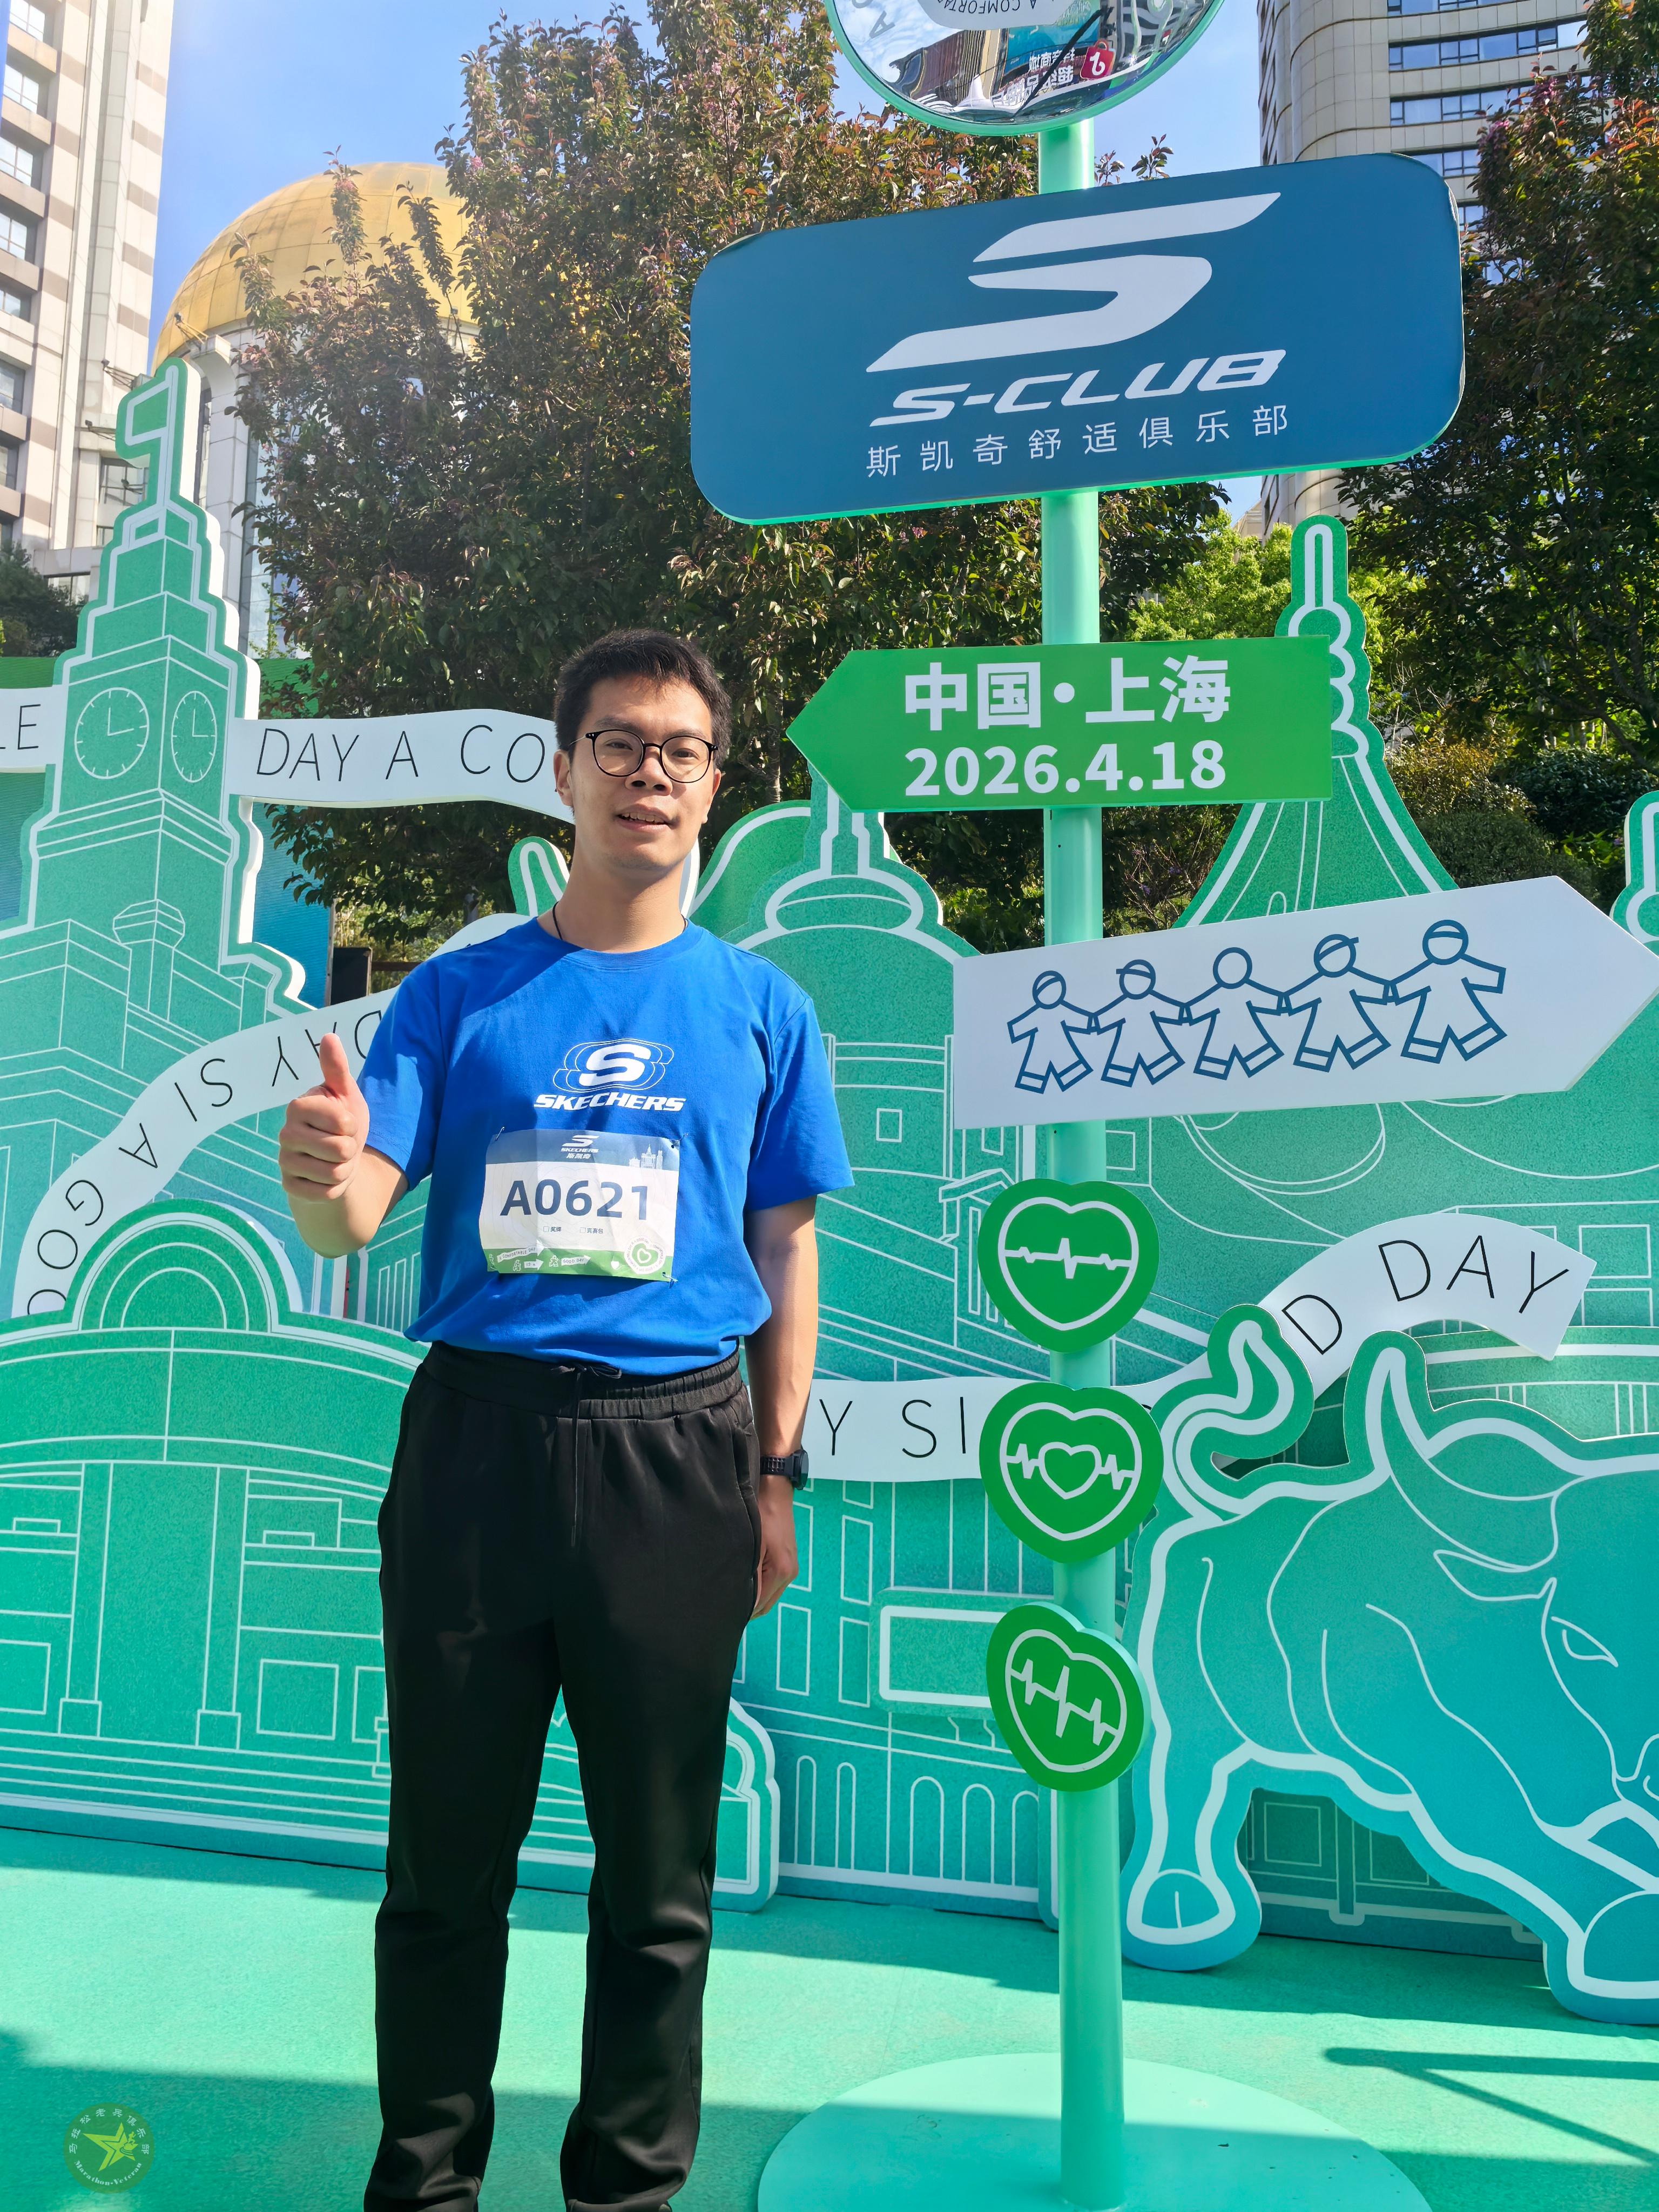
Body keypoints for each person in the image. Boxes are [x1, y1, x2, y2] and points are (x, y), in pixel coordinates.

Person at [276, 630, 852, 2212]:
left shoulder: (761, 1008)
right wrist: (321, 1175)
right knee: (442, 1874)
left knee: (658, 1886)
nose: (647, 772)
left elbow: (786, 1250)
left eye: (679, 748)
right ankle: (426, 2185)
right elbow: (353, 1215)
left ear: (715, 785)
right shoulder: (457, 995)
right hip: (479, 1450)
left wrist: (776, 1473)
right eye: (616, 743)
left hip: (682, 1457)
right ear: (564, 769)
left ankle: (624, 2191)